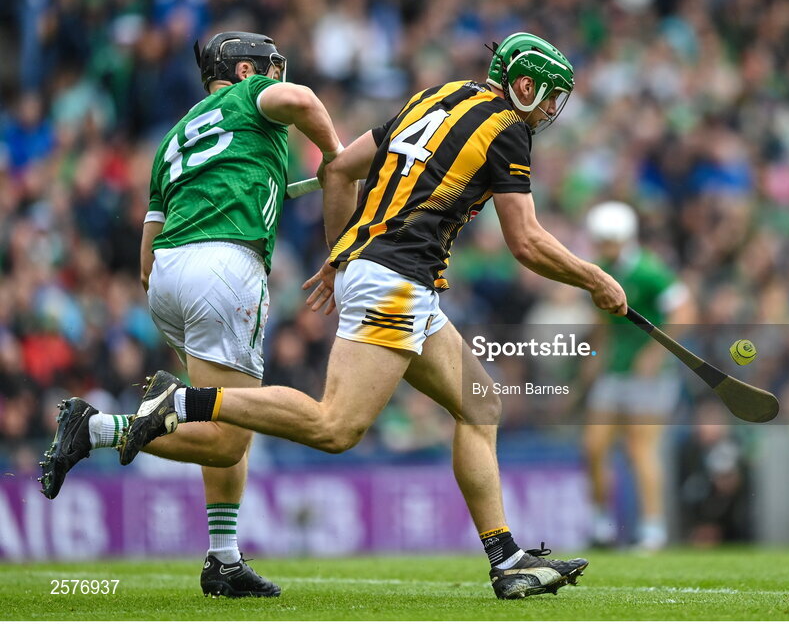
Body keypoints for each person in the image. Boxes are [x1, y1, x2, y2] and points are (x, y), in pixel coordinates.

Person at [104, 31, 628, 600]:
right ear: (523, 85)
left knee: (480, 402)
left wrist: (339, 255)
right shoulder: (508, 129)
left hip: (393, 274)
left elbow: (339, 169)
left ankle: (507, 560)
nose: (552, 109)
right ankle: (182, 402)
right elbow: (524, 242)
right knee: (336, 427)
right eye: (550, 95)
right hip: (397, 278)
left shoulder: (439, 97)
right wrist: (595, 278)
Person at [39, 31, 352, 598]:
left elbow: (144, 256)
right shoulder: (251, 97)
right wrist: (335, 157)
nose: (276, 75)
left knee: (233, 415)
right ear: (241, 71)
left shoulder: (173, 138)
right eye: (267, 67)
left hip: (166, 279)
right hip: (224, 266)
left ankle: (223, 559)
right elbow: (303, 103)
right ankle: (99, 427)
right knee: (229, 434)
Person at [581, 201, 693, 552]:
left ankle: (652, 530)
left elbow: (686, 312)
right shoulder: (600, 271)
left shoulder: (649, 270)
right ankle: (601, 525)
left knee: (640, 448)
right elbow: (603, 323)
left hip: (651, 376)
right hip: (615, 371)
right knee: (594, 447)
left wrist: (654, 352)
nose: (603, 246)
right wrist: (592, 362)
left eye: (608, 240)